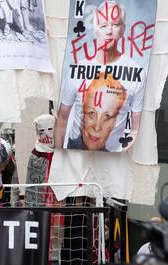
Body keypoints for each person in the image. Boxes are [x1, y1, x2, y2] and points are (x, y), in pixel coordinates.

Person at [55, 1, 144, 152]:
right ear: (95, 30)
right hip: (75, 153)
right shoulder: (78, 69)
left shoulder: (136, 71)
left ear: (123, 29)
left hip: (111, 157)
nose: (109, 31)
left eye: (115, 24)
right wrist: (58, 157)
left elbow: (136, 129)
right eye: (103, 25)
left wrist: (119, 157)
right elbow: (62, 119)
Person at [67, 74, 127, 151]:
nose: (97, 128)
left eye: (107, 116)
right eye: (92, 113)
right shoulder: (67, 149)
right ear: (83, 114)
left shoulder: (116, 158)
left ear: (114, 123)